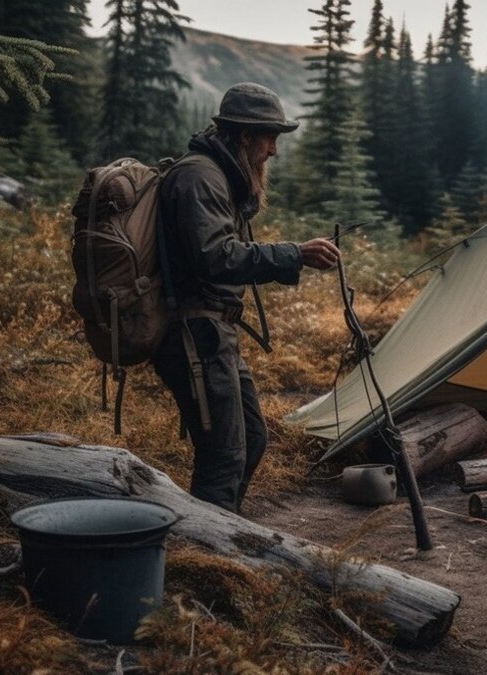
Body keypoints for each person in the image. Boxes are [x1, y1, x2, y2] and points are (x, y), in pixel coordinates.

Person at [153, 82, 340, 512]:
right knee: (223, 457)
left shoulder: (221, 177)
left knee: (251, 439)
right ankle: (203, 556)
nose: (273, 149)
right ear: (243, 135)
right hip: (192, 334)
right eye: (269, 136)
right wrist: (294, 253)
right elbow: (215, 258)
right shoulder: (200, 177)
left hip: (214, 332)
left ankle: (222, 530)